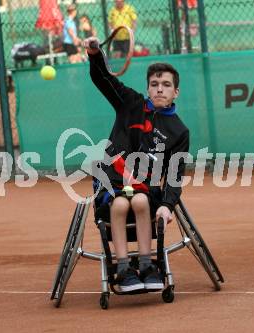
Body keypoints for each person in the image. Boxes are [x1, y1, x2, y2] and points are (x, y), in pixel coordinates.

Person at [83, 37, 190, 292]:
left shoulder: (179, 131)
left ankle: (146, 266)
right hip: (113, 185)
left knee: (141, 202)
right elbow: (104, 80)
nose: (160, 89)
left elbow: (174, 177)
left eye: (166, 85)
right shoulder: (129, 104)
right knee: (119, 204)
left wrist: (167, 205)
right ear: (148, 88)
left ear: (176, 92)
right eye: (154, 85)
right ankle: (122, 268)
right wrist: (94, 54)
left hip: (147, 192)